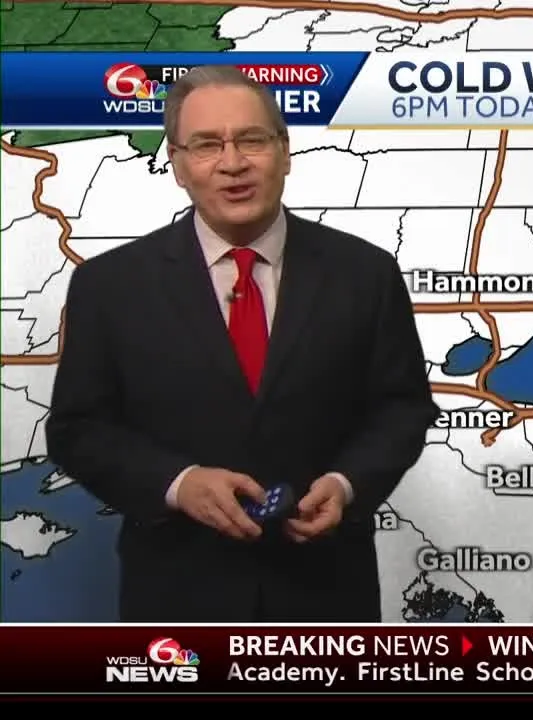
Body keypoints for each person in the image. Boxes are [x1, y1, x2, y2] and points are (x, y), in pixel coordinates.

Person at [45, 65, 439, 622]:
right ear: (177, 164)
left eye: (252, 140)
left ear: (285, 152)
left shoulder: (365, 275)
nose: (232, 163)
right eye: (207, 145)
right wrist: (178, 484)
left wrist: (346, 484)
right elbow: (78, 429)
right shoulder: (109, 285)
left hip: (325, 597)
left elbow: (402, 409)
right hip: (177, 602)